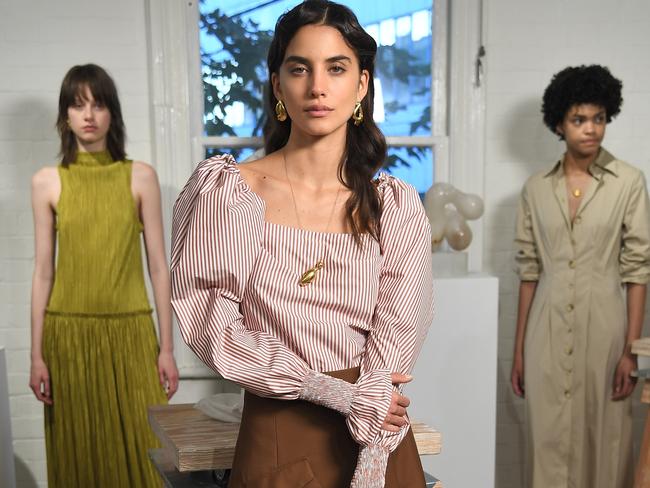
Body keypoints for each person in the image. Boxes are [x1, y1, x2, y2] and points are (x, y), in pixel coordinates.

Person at [170, 1, 434, 486]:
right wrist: (328, 390)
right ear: (277, 85)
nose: (317, 87)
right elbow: (211, 322)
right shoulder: (228, 194)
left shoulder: (393, 206)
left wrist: (372, 449)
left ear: (361, 85)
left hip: (377, 433)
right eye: (299, 68)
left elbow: (400, 326)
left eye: (337, 68)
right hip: (279, 428)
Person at [29, 63, 179, 487]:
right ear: (65, 116)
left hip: (131, 334)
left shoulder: (140, 177)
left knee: (148, 458)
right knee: (79, 459)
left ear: (112, 113)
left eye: (98, 104)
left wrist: (166, 348)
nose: (88, 115)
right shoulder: (47, 183)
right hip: (68, 338)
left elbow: (158, 268)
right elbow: (43, 272)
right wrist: (36, 355)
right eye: (78, 105)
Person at [511, 64, 649, 488]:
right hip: (545, 332)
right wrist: (518, 351)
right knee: (547, 441)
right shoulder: (535, 189)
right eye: (579, 119)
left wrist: (632, 351)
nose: (590, 129)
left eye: (599, 118)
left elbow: (637, 270)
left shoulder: (628, 183)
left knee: (607, 439)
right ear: (559, 123)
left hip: (606, 331)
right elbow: (529, 272)